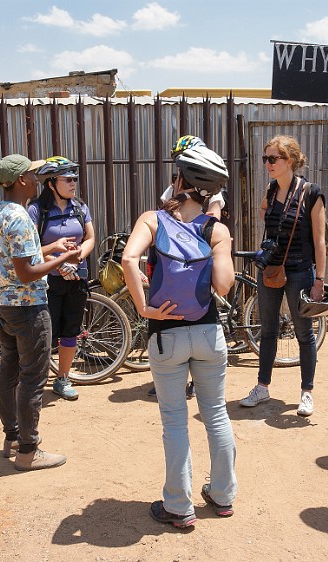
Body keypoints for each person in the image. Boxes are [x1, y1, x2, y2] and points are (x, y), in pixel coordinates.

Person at [121, 143, 237, 528]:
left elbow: (127, 259)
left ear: (179, 180)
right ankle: (222, 496)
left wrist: (143, 307)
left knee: (174, 420)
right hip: (207, 333)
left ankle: (178, 506)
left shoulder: (152, 219)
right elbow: (224, 287)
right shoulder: (216, 229)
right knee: (216, 413)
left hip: (165, 334)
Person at [0, 153, 81, 471]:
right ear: (20, 181)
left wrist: (52, 248)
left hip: (7, 304)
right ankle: (29, 451)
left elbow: (18, 258)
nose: (36, 179)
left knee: (9, 371)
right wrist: (65, 261)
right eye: (32, 174)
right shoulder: (20, 216)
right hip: (28, 306)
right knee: (32, 378)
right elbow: (27, 272)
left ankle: (13, 438)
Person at [239, 135, 327, 417]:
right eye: (265, 158)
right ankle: (262, 388)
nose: (267, 163)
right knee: (267, 330)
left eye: (272, 158)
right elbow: (265, 212)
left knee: (303, 333)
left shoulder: (311, 193)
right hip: (271, 269)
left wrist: (319, 280)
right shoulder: (271, 189)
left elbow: (320, 240)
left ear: (289, 161)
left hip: (301, 270)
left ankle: (307, 393)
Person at [149, 135, 225, 400]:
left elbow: (212, 214)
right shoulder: (175, 187)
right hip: (204, 324)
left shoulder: (206, 188)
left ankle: (186, 379)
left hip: (192, 256)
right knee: (215, 412)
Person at [27, 156, 95, 401]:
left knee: (71, 331)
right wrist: (55, 249)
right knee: (45, 333)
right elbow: (30, 249)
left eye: (75, 179)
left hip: (78, 277)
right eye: (68, 179)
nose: (73, 183)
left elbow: (90, 238)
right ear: (51, 183)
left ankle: (63, 378)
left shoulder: (80, 207)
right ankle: (35, 381)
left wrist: (77, 258)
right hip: (49, 280)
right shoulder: (36, 210)